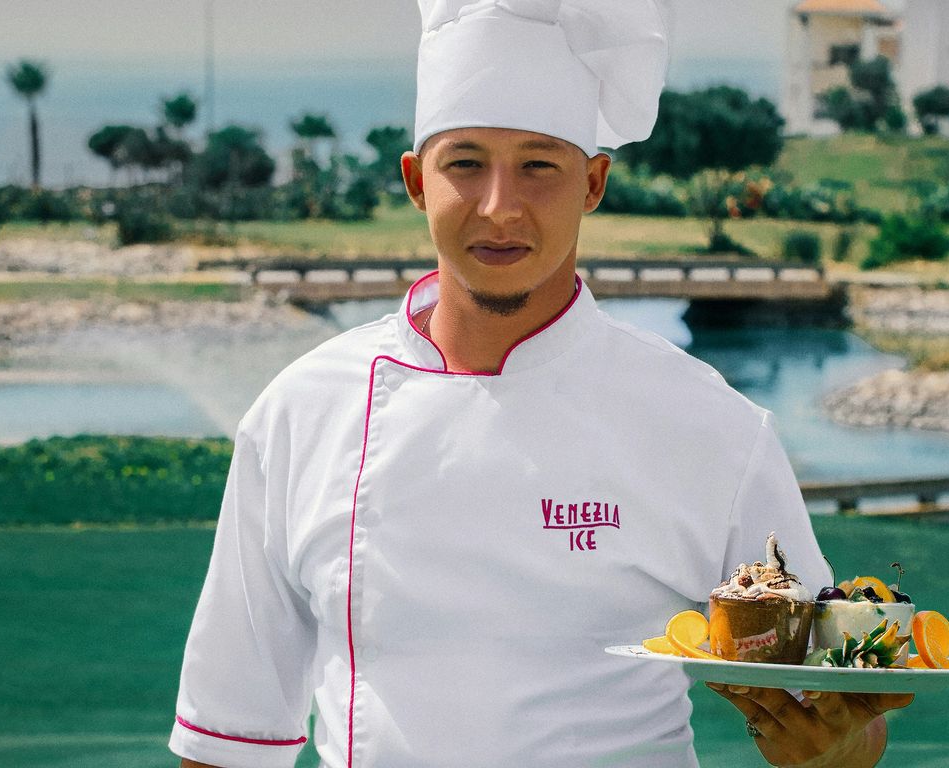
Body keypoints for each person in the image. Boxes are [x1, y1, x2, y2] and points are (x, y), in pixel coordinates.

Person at [170, 2, 911, 766]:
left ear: (592, 182)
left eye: (538, 166)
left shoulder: (708, 425)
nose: (500, 207)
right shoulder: (301, 412)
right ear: (415, 181)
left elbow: (835, 710)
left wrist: (829, 745)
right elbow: (228, 734)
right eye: (464, 163)